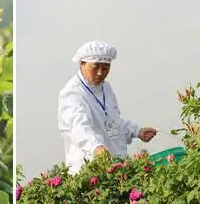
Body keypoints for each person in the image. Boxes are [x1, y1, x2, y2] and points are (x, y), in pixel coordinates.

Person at [58, 40, 157, 174]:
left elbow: (113, 121)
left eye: (105, 68)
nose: (100, 73)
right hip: (89, 171)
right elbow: (79, 128)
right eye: (95, 67)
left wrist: (137, 131)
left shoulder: (105, 87)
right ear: (82, 64)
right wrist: (96, 148)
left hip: (115, 166)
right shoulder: (73, 93)